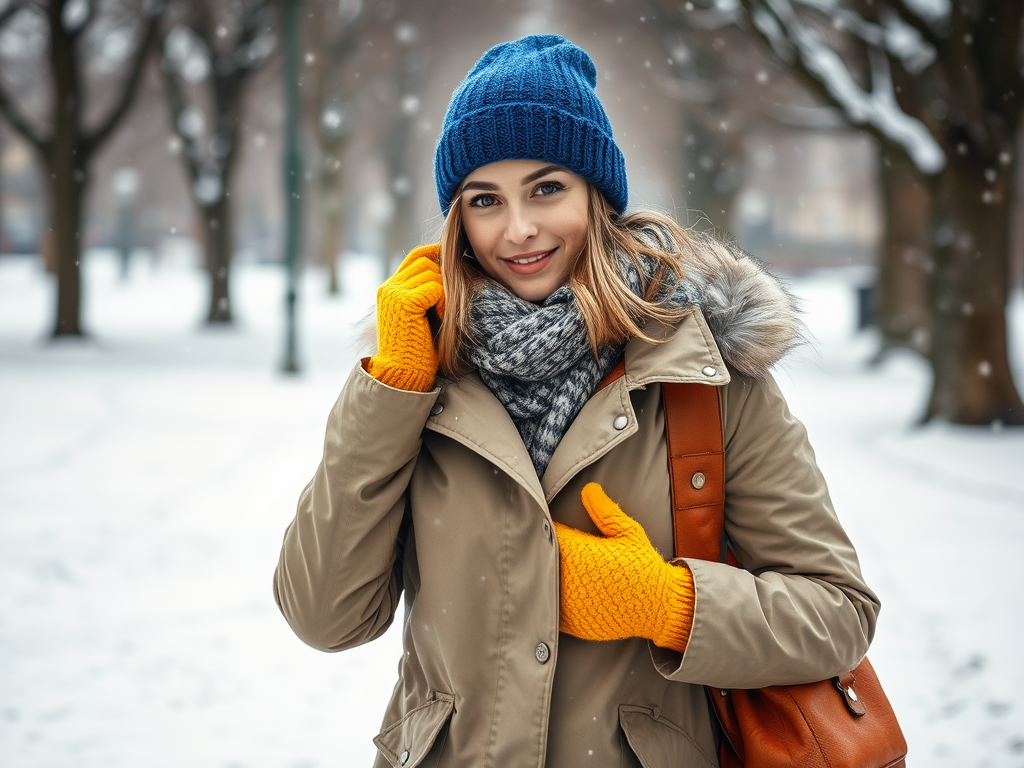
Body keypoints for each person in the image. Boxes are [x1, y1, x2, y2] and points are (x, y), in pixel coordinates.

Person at [274, 34, 879, 768]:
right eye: (484, 200)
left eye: (547, 188)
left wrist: (667, 604)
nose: (518, 229)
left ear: (598, 196)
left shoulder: (705, 377)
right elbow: (324, 615)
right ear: (456, 220)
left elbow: (838, 613)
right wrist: (390, 393)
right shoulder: (419, 380)